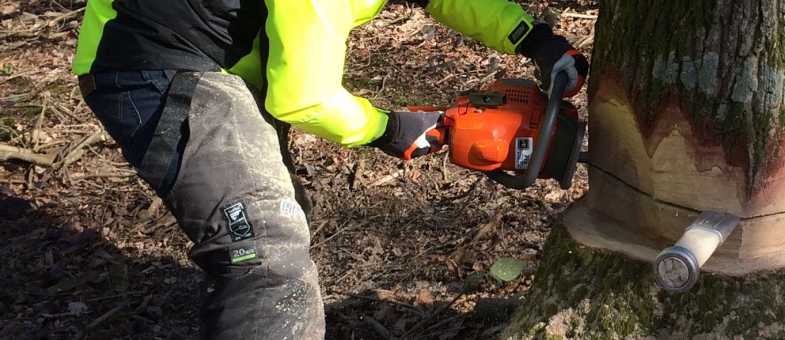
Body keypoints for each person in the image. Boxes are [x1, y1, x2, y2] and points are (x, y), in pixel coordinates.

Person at [71, 0, 588, 338]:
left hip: (222, 62)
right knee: (265, 252)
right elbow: (303, 96)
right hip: (150, 64)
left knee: (281, 216)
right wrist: (387, 128)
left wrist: (532, 39)